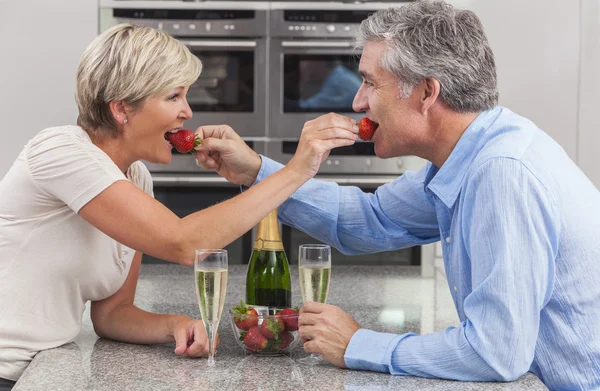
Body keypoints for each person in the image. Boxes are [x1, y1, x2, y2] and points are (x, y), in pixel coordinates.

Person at [193, 1, 600, 390]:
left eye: (370, 83)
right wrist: (255, 170)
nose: (357, 102)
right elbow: (371, 219)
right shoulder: (468, 154)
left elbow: (495, 353)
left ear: (427, 92)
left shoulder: (502, 173)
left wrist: (357, 344)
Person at [0, 23, 358, 387]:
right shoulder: (59, 150)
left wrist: (176, 324)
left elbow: (112, 315)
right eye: (173, 96)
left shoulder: (135, 176)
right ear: (122, 109)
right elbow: (183, 243)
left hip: (45, 371)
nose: (187, 111)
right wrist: (297, 170)